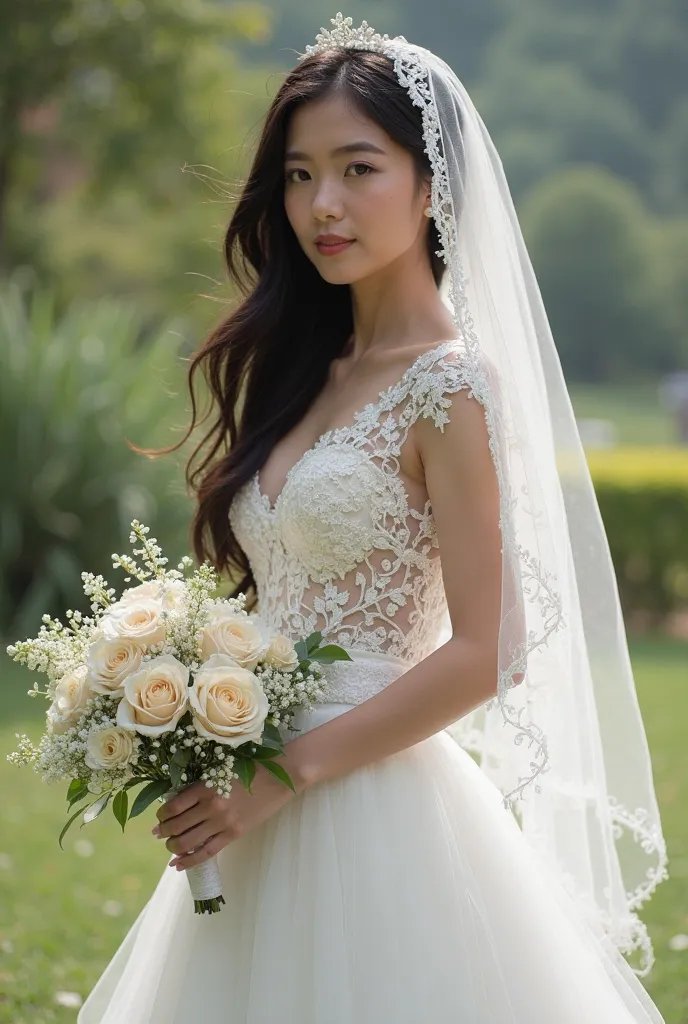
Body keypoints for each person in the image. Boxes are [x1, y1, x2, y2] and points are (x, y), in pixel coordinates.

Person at [78, 14, 669, 1023]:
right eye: (300, 176)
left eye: (358, 168)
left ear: (431, 184)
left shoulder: (450, 387)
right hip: (253, 796)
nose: (323, 204)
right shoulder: (309, 371)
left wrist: (283, 776)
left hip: (367, 800)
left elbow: (489, 649)